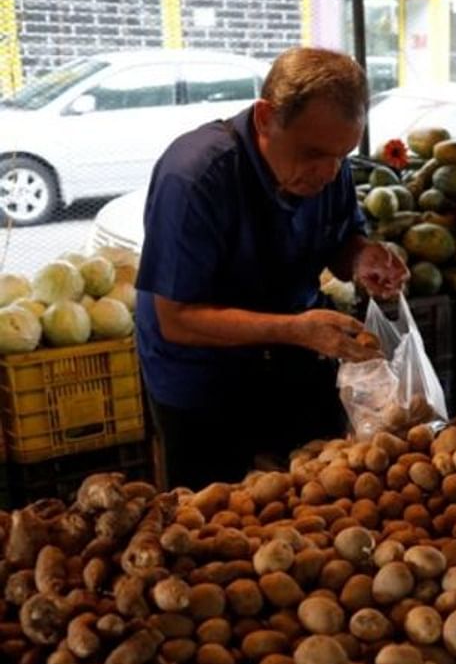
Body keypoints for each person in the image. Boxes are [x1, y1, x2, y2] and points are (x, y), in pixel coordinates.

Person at [135, 47, 408, 489]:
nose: (328, 171)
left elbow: (340, 240)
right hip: (203, 381)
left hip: (293, 360)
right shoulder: (194, 177)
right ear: (265, 118)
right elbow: (177, 318)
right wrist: (294, 329)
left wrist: (361, 258)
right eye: (314, 153)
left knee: (322, 492)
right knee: (214, 520)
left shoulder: (329, 163)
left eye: (342, 154)